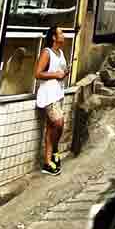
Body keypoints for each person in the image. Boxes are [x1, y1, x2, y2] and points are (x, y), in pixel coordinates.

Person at [34, 25, 70, 175]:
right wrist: (56, 74)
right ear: (54, 37)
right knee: (58, 122)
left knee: (52, 127)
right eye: (61, 33)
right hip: (48, 95)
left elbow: (60, 72)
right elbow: (37, 73)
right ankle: (54, 150)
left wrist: (64, 73)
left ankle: (48, 162)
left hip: (58, 93)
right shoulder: (46, 52)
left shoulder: (60, 53)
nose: (64, 35)